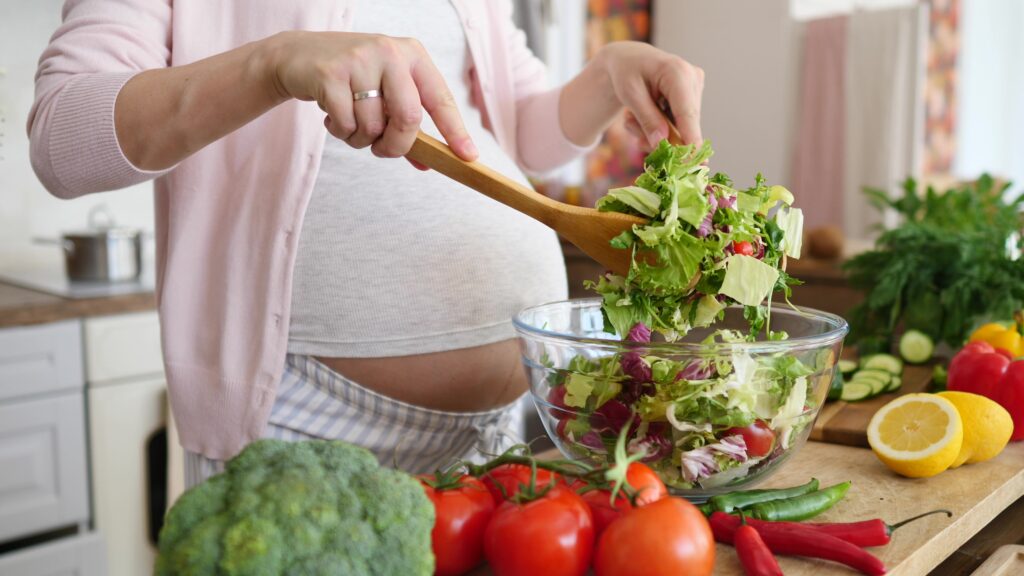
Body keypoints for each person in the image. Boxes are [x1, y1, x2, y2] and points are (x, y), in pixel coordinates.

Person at [29, 0, 704, 486]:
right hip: (304, 429)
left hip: (500, 432)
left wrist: (606, 74)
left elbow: (519, 132)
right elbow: (62, 136)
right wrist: (275, 62)